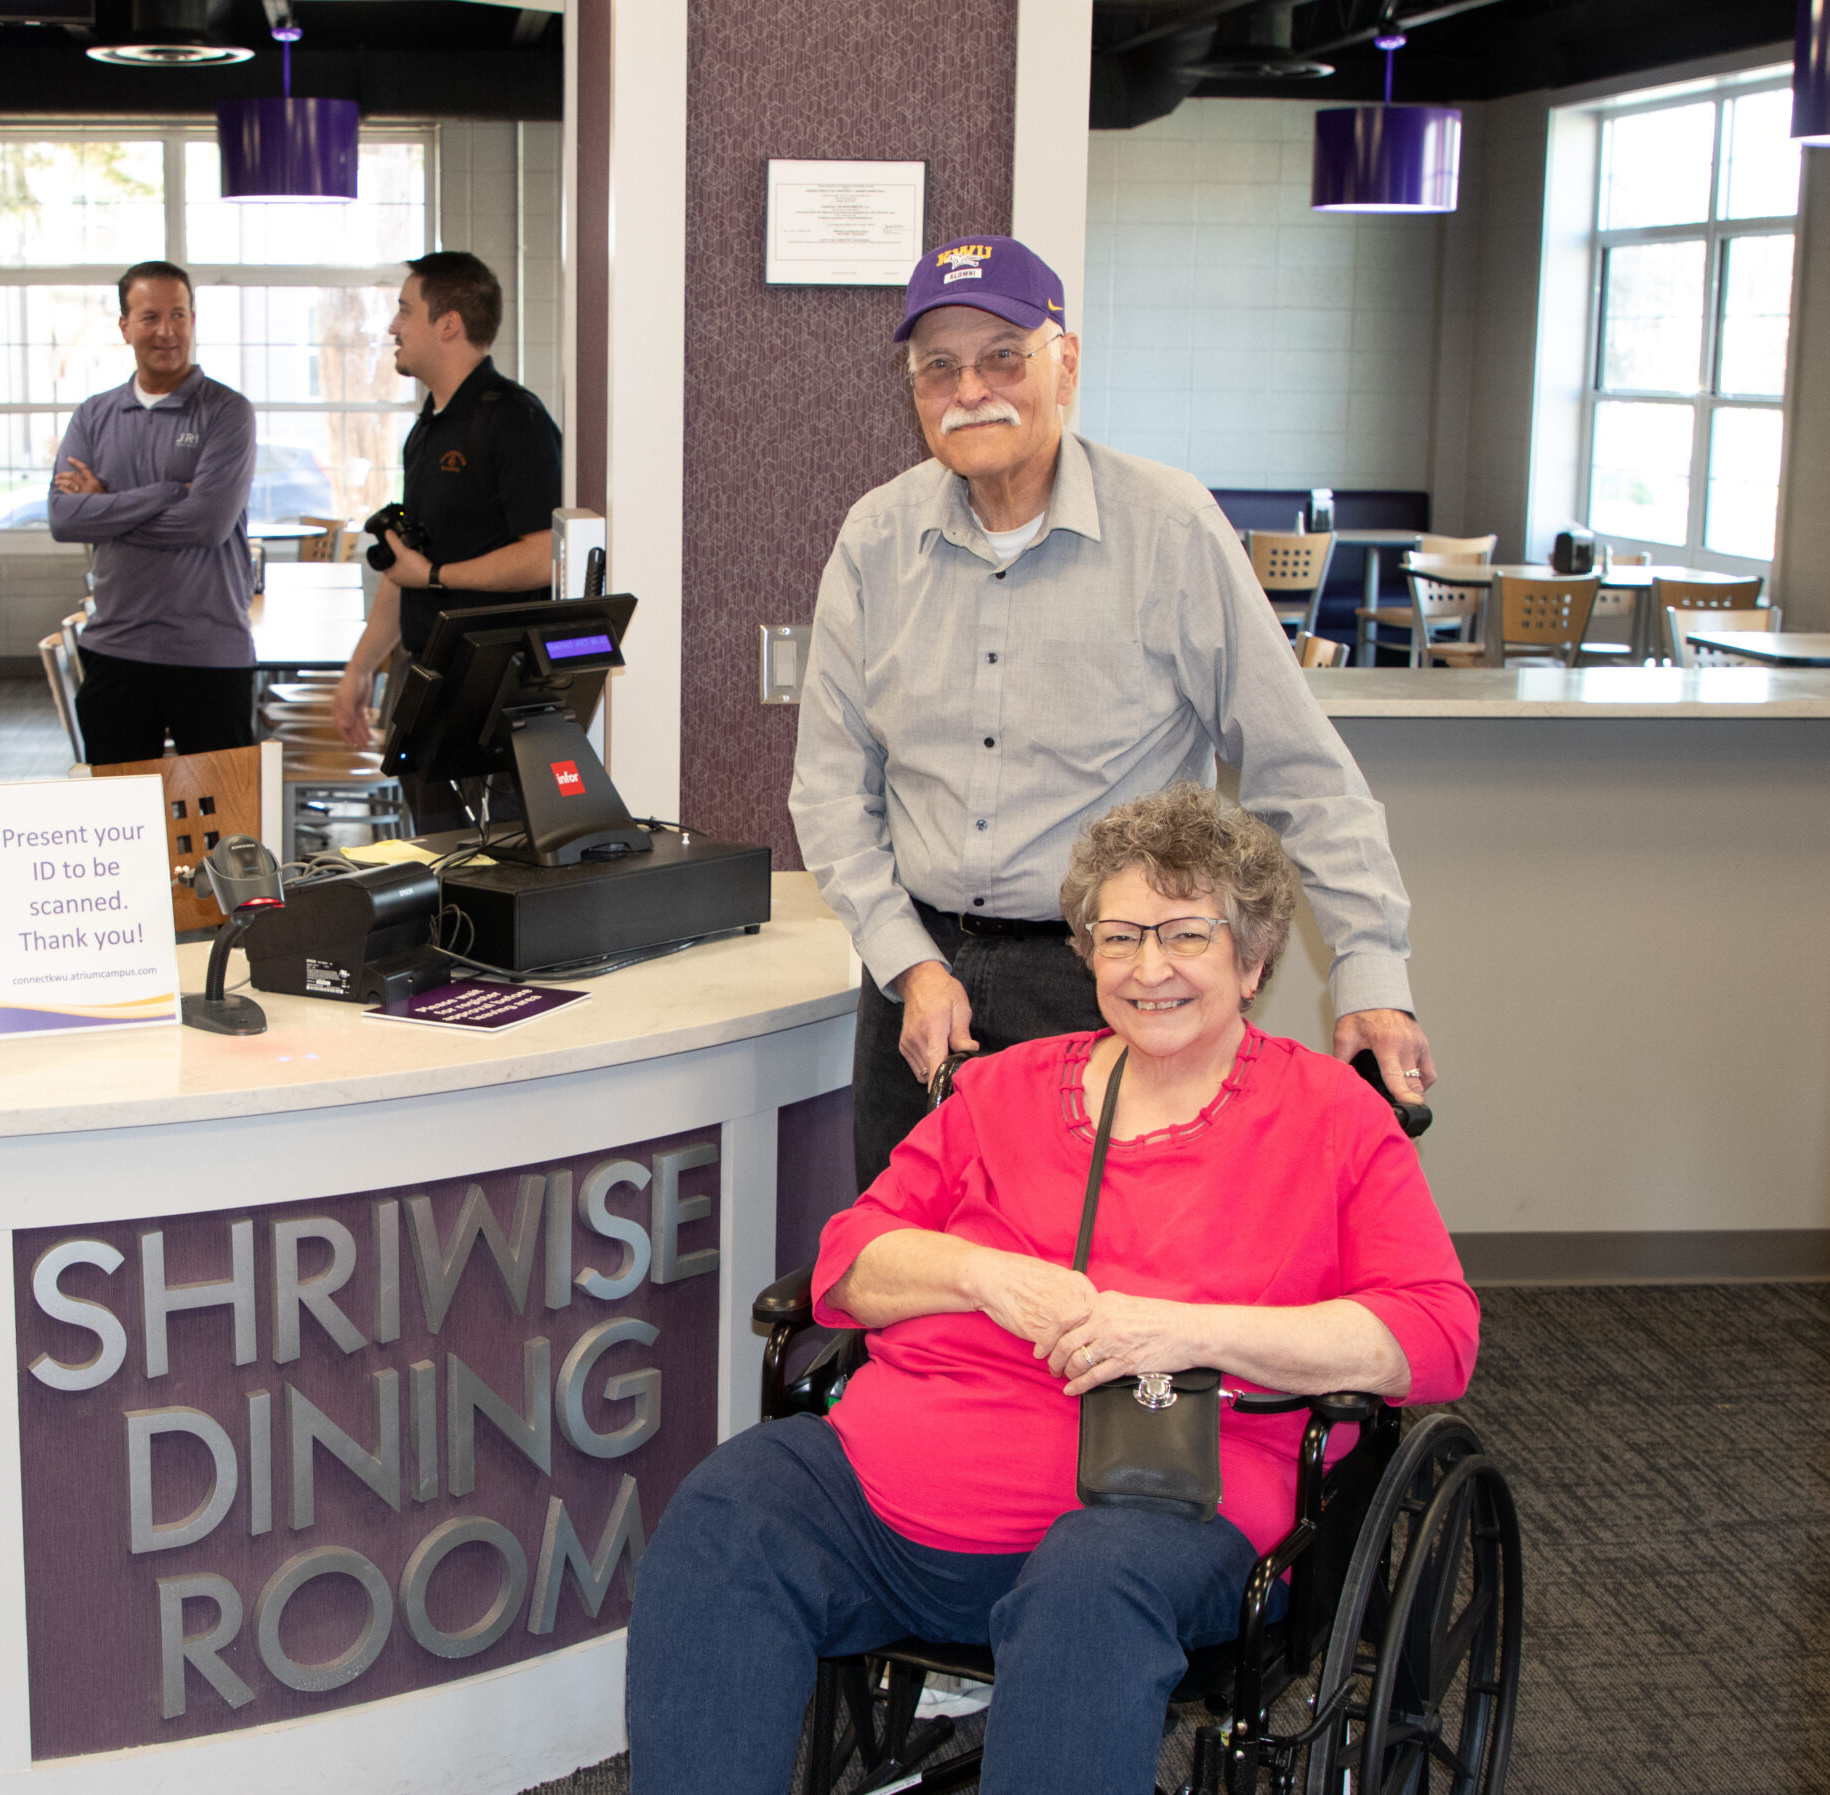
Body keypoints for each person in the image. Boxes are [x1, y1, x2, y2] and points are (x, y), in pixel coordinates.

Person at [626, 784, 1479, 1795]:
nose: (1147, 966)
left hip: (1163, 1502)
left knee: (1088, 1587)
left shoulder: (1327, 1115)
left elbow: (1431, 1331)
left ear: (1251, 963)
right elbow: (848, 1265)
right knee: (728, 1508)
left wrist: (1182, 1329)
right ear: (1084, 953)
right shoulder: (1002, 1090)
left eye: (1184, 935)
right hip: (893, 1488)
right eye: (1119, 935)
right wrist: (984, 1275)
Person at [788, 235, 1437, 1194]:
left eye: (1004, 354)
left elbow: (1304, 773)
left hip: (1115, 977)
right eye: (940, 368)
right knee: (914, 1274)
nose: (973, 388)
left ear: (1067, 364)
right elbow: (833, 790)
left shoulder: (1169, 529)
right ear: (915, 391)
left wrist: (1373, 977)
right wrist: (905, 962)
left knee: (1110, 1298)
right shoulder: (875, 538)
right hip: (919, 981)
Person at [331, 251, 562, 827]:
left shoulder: (513, 420)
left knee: (489, 860)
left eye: (405, 310)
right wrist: (360, 669)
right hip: (424, 680)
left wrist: (436, 577)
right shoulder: (427, 430)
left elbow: (544, 555)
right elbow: (406, 569)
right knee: (435, 859)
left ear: (449, 323)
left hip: (488, 689)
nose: (393, 326)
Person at [47, 259, 259, 765]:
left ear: (192, 321)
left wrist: (105, 505)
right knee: (120, 829)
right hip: (114, 650)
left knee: (225, 832)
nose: (166, 332)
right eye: (149, 317)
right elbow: (63, 519)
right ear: (124, 327)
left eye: (179, 316)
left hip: (209, 654)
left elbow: (206, 524)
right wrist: (166, 492)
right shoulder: (94, 415)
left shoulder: (227, 412)